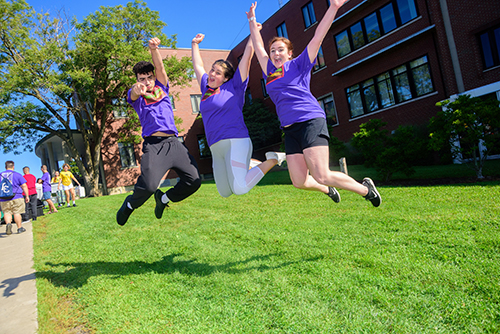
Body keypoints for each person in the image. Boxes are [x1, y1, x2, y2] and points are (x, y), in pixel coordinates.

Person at [247, 1, 381, 206]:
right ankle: (327, 189)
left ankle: (366, 190)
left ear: (289, 53)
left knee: (322, 173)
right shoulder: (270, 73)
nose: (275, 54)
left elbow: (318, 35)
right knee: (299, 181)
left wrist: (334, 7)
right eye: (273, 50)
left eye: (280, 50)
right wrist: (252, 20)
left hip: (310, 121)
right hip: (290, 129)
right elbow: (258, 47)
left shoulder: (300, 64)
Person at [116, 37, 201, 226]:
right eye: (141, 79)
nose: (146, 82)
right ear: (137, 80)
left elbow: (161, 69)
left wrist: (154, 49)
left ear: (153, 78)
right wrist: (137, 89)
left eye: (148, 78)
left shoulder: (162, 87)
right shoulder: (137, 98)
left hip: (174, 143)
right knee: (149, 185)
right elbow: (133, 93)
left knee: (194, 180)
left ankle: (163, 200)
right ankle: (129, 205)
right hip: (154, 146)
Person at [191, 31, 285, 197]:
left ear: (226, 78)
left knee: (240, 188)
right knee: (225, 192)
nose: (212, 74)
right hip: (215, 146)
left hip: (235, 140)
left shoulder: (235, 86)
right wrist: (194, 44)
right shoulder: (206, 87)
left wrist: (253, 32)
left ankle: (273, 159)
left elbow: (247, 57)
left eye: (218, 73)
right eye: (212, 70)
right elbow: (198, 67)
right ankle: (248, 162)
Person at [0, 161, 30, 235]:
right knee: (16, 212)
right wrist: (27, 196)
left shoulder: (0, 175)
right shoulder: (17, 175)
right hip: (16, 196)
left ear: (5, 167)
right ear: (13, 166)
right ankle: (19, 228)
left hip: (3, 198)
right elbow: (24, 186)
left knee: (7, 212)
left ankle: (8, 224)